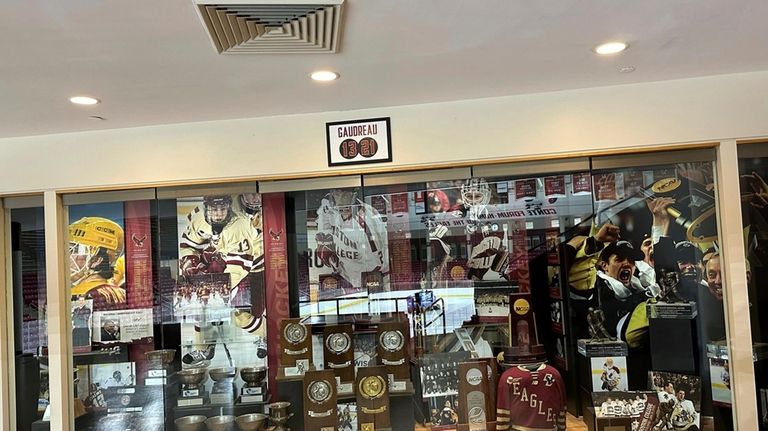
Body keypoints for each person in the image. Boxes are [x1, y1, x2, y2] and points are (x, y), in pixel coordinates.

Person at [315, 189, 389, 290]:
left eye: (344, 194)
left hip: (363, 277)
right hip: (342, 274)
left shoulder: (366, 221)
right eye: (337, 194)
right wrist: (324, 240)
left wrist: (363, 286)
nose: (340, 198)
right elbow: (323, 220)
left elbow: (376, 265)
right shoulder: (328, 204)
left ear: (353, 195)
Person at [69, 217, 126, 308]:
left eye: (75, 250)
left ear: (97, 260)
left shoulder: (95, 296)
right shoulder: (119, 293)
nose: (67, 257)